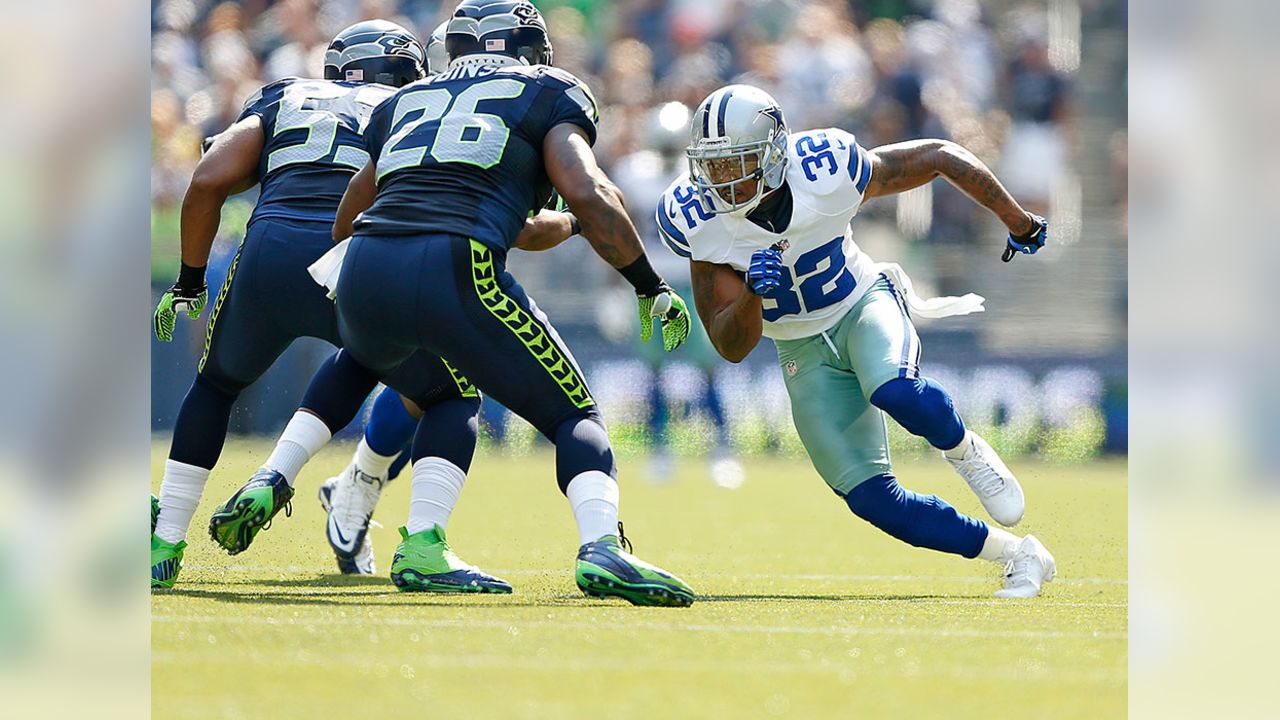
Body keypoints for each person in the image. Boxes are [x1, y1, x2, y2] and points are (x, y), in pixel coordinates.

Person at [222, 0, 698, 606]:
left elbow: (349, 216)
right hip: (455, 261)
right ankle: (601, 545)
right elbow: (589, 189)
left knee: (383, 363)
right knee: (574, 416)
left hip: (367, 258)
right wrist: (647, 283)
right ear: (527, 48)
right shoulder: (549, 90)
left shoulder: (407, 100)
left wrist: (389, 276)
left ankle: (285, 475)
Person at [658, 83, 1056, 598]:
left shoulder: (823, 169)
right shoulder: (697, 220)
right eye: (712, 165)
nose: (721, 180)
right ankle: (1019, 554)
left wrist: (1018, 221)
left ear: (775, 153)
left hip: (862, 303)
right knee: (871, 499)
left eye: (736, 163)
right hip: (800, 348)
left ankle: (965, 451)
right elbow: (730, 345)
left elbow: (936, 156)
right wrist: (753, 295)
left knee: (895, 390)